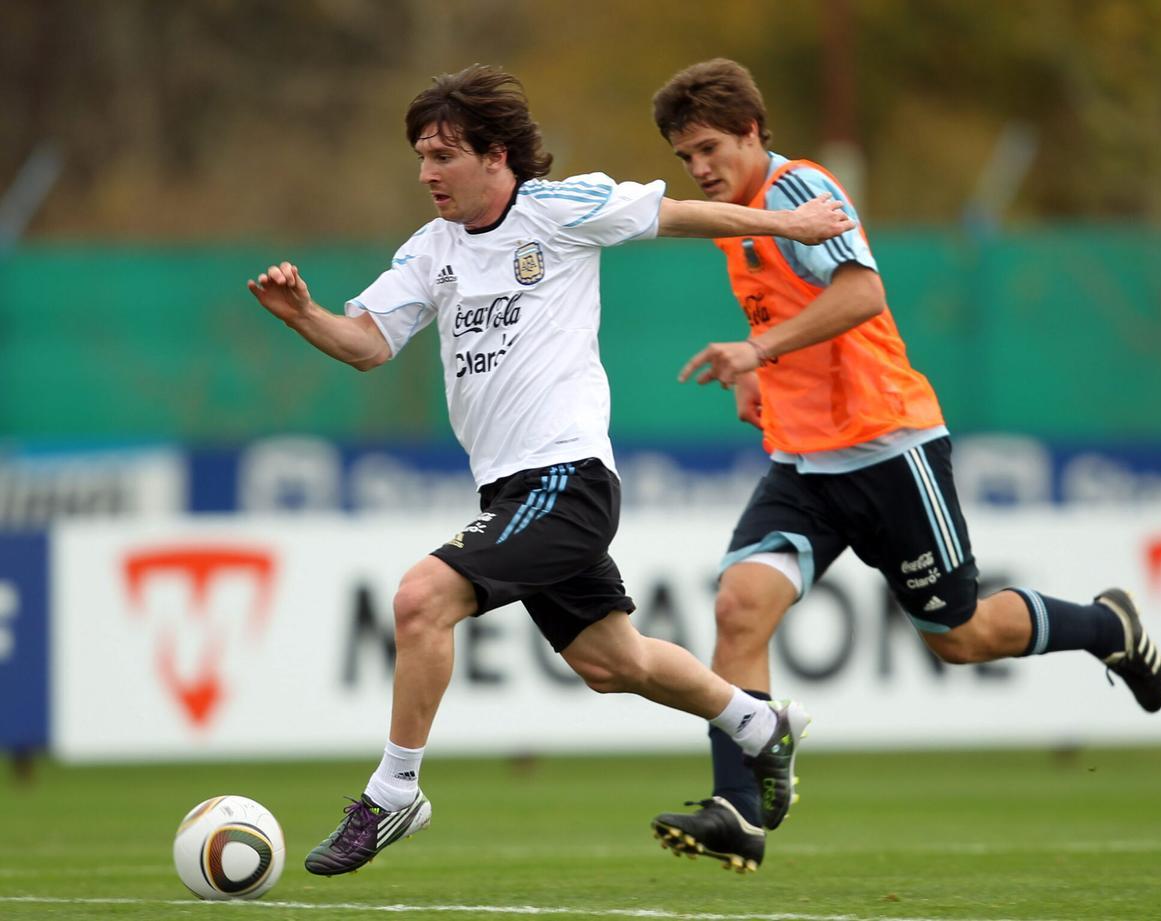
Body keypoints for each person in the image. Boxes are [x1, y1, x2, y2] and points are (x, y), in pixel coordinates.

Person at [246, 64, 855, 877]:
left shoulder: (560, 209)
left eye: (443, 155)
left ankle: (394, 793)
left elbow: (678, 214)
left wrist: (791, 224)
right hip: (510, 489)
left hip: (566, 478)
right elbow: (368, 344)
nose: (427, 173)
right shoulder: (431, 250)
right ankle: (759, 724)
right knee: (614, 663)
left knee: (421, 598)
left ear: (496, 155)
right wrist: (303, 315)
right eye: (421, 157)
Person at [647, 58, 1161, 874]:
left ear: (751, 130)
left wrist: (759, 349)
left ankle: (1108, 625)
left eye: (709, 148)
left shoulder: (797, 190)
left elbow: (862, 293)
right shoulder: (734, 220)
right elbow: (781, 304)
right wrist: (755, 366)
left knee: (960, 636)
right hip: (805, 463)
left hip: (890, 446)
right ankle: (738, 810)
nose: (699, 168)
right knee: (739, 606)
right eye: (686, 158)